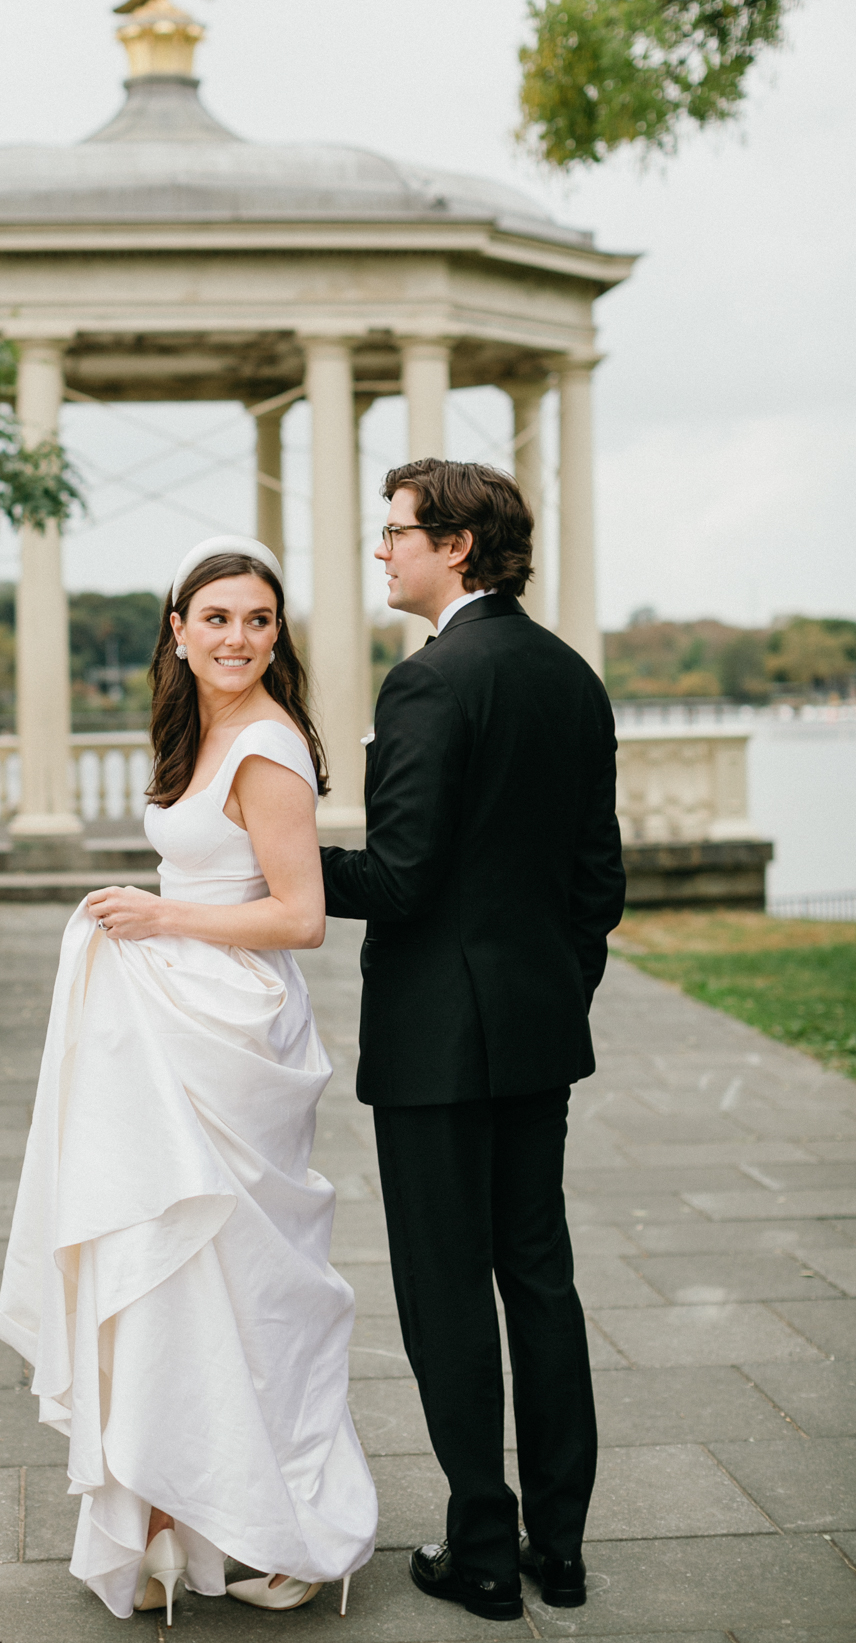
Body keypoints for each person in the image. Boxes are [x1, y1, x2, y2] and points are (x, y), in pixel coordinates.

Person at [0, 535, 377, 1624]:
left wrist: (163, 916)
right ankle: (168, 1511)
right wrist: (151, 923)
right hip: (170, 1019)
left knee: (244, 1286)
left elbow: (299, 918)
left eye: (258, 620)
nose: (239, 638)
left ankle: (285, 1524)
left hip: (233, 1031)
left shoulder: (267, 747)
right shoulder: (194, 727)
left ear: (276, 634)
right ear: (179, 629)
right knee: (158, 1272)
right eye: (218, 619)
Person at [320, 459, 626, 1623]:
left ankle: (484, 1553)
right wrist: (553, 991)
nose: (382, 552)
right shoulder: (572, 677)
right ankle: (564, 1548)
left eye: (396, 533)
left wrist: (279, 866)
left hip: (435, 1046)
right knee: (539, 1277)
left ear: (456, 546)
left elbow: (399, 879)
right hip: (538, 1033)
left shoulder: (429, 684)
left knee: (446, 1289)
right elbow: (600, 881)